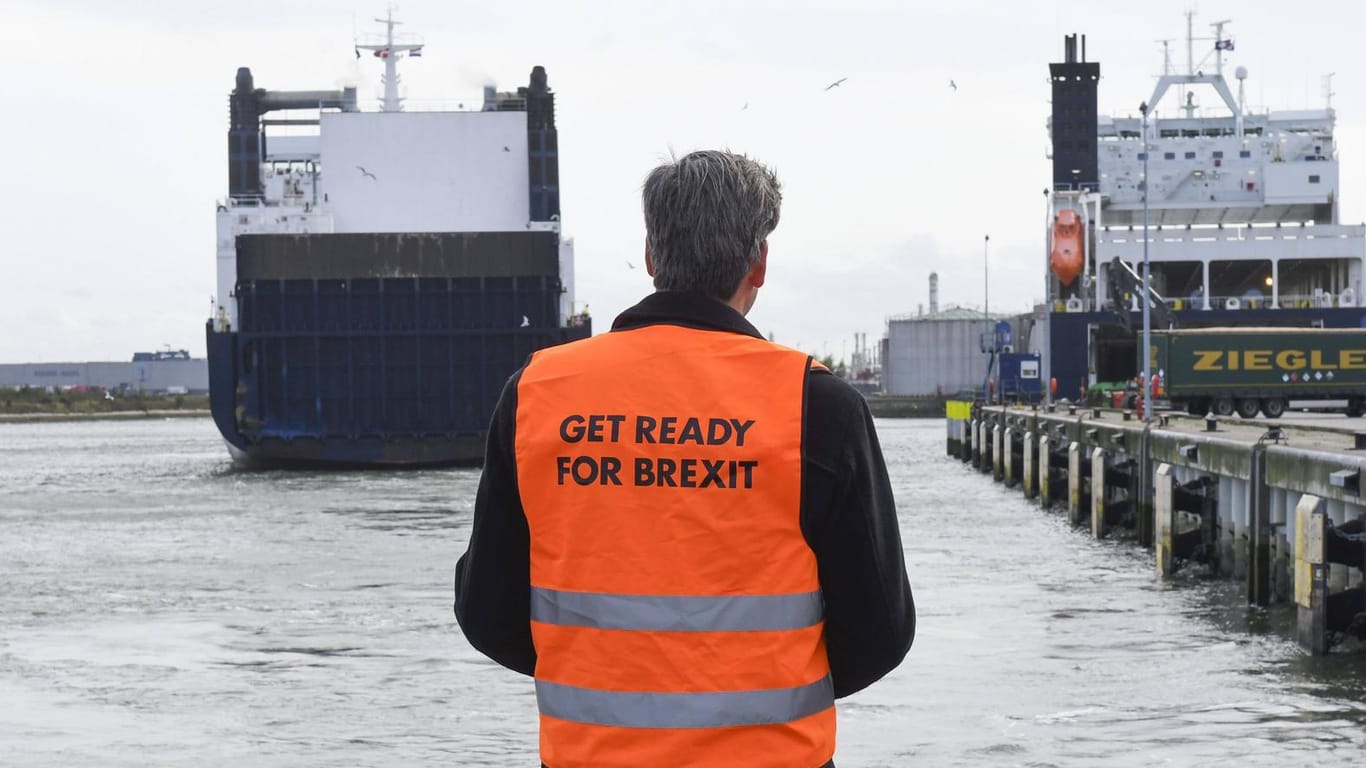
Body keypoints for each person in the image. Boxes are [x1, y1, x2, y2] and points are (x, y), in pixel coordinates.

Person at [454, 149, 914, 768]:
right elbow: (880, 630)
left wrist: (606, 684)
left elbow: (487, 611)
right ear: (760, 263)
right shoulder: (817, 407)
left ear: (649, 258)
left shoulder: (537, 396)